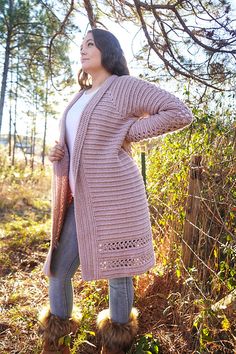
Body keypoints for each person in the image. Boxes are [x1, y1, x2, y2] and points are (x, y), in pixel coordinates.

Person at [38, 28, 193, 354]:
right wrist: (58, 153)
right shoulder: (79, 97)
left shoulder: (124, 87)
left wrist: (132, 130)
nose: (82, 50)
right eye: (80, 45)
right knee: (58, 269)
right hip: (81, 202)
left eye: (90, 44)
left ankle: (116, 346)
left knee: (119, 273)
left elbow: (179, 112)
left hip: (117, 198)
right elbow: (77, 145)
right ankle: (56, 343)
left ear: (107, 50)